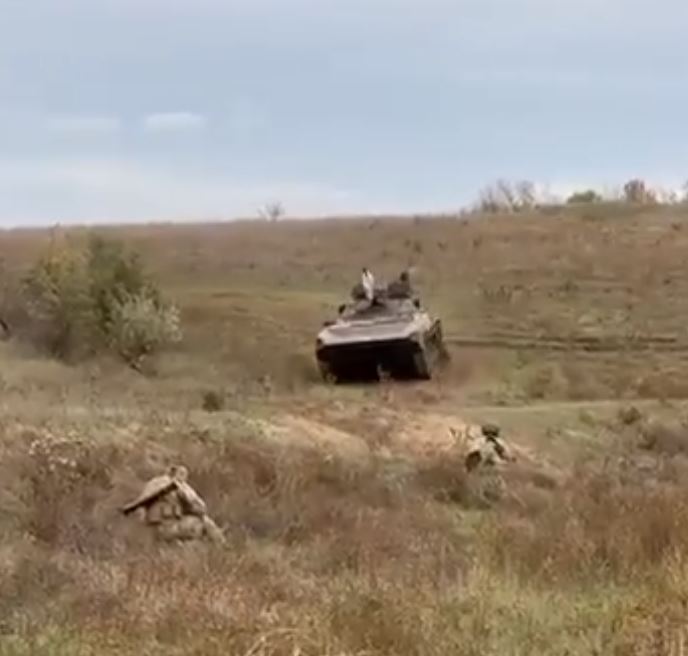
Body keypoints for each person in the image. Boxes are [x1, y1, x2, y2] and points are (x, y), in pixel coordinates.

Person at [121, 464, 225, 544]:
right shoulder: (178, 486)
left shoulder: (153, 484)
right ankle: (222, 546)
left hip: (159, 530)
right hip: (167, 528)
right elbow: (200, 508)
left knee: (201, 525)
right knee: (204, 522)